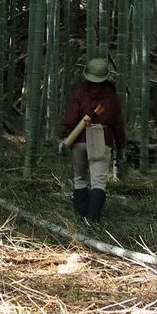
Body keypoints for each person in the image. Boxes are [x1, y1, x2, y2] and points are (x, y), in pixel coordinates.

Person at [59, 57, 126, 224]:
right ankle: (90, 219)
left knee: (80, 178)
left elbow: (71, 116)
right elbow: (118, 125)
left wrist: (65, 134)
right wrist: (121, 146)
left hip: (79, 138)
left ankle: (82, 216)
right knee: (98, 181)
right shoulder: (111, 96)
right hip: (101, 139)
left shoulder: (80, 91)